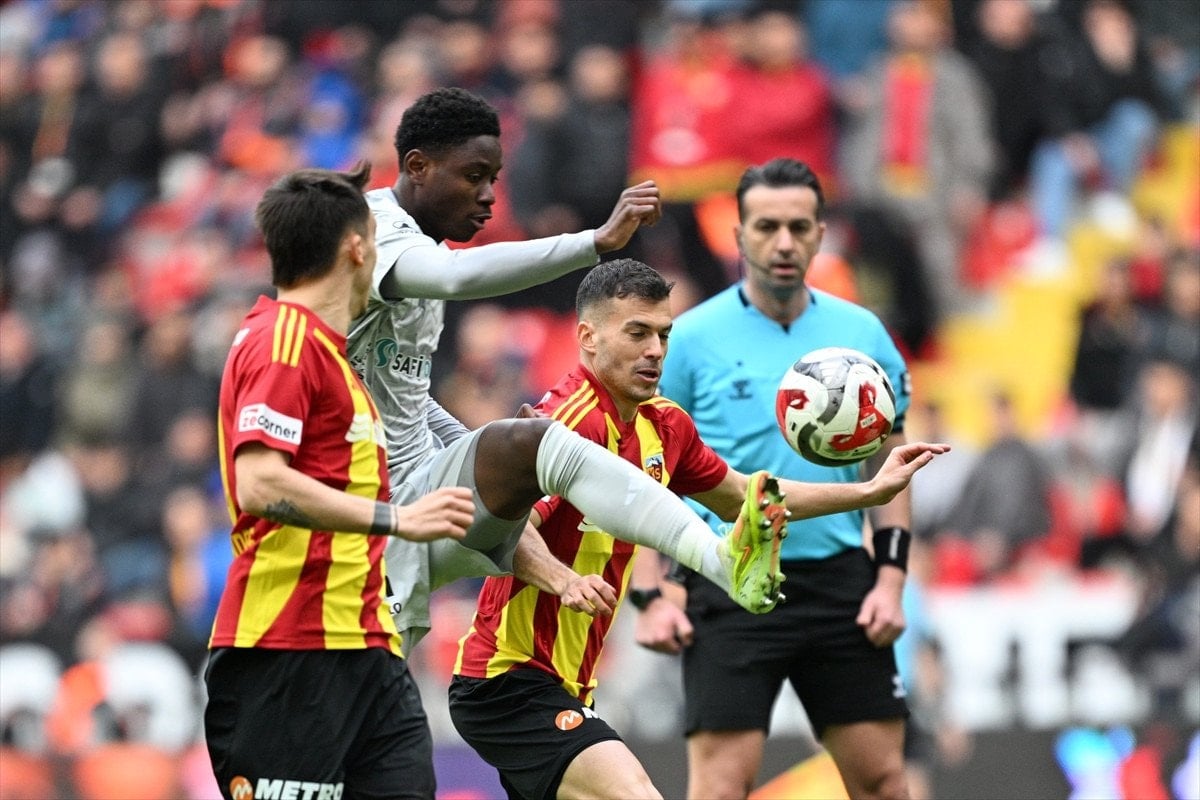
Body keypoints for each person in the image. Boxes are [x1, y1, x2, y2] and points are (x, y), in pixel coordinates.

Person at [447, 259, 948, 800]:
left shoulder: (664, 424)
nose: (655, 350)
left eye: (663, 335)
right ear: (588, 338)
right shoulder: (564, 424)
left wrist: (868, 492)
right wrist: (563, 579)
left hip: (570, 683)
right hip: (506, 679)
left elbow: (744, 497)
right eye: (637, 333)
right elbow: (504, 527)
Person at [346, 86, 786, 655]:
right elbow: (457, 276)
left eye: (494, 179)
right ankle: (716, 561)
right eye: (473, 177)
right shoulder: (375, 230)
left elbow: (404, 392)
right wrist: (594, 242)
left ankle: (720, 561)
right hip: (361, 508)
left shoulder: (421, 257)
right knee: (355, 708)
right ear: (417, 167)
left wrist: (471, 447)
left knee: (535, 444)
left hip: (418, 503)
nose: (488, 197)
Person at [638, 157, 921, 800]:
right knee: (719, 788)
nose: (784, 243)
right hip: (729, 576)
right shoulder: (690, 339)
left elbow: (890, 464)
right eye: (767, 227)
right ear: (737, 235)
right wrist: (651, 596)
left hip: (841, 582)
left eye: (799, 226)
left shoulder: (863, 334)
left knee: (883, 781)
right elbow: (651, 470)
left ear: (822, 233)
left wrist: (890, 581)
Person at [204, 164, 477, 800]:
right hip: (287, 650)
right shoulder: (283, 341)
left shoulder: (333, 355)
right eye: (378, 240)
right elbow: (260, 483)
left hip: (367, 648)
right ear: (357, 248)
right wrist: (398, 519)